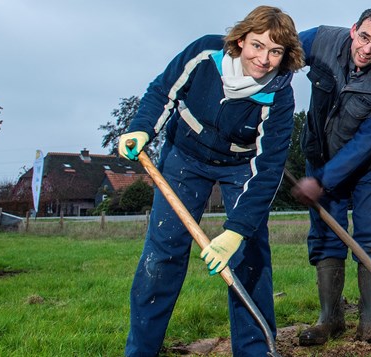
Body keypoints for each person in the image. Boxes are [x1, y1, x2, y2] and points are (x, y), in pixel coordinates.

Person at [118, 6, 304, 356]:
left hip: (239, 166)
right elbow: (162, 92)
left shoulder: (279, 95)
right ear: (240, 40)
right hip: (183, 157)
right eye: (257, 45)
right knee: (162, 255)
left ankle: (255, 350)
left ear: (286, 55)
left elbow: (267, 171)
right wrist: (141, 130)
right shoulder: (204, 54)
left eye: (275, 51)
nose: (263, 59)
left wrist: (236, 230)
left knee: (250, 256)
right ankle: (140, 350)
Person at [292, 7, 371, 346]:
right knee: (326, 237)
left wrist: (323, 179)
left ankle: (370, 320)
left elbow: (368, 141)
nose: (367, 49)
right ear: (353, 30)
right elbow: (280, 53)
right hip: (320, 155)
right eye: (364, 37)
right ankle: (329, 318)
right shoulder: (320, 41)